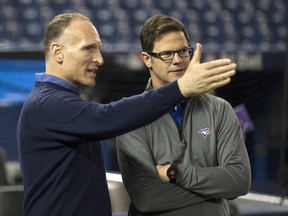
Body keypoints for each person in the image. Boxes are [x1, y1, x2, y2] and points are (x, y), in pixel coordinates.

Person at [17, 12, 237, 216]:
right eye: (88, 49)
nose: (99, 59)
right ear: (58, 52)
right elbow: (107, 117)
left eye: (99, 48)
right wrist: (179, 88)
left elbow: (238, 180)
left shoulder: (62, 101)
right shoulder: (47, 104)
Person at [116, 14, 251, 216]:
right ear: (147, 59)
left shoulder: (220, 109)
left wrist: (174, 172)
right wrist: (214, 195)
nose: (178, 60)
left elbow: (239, 181)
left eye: (182, 51)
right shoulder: (131, 116)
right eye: (167, 54)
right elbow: (147, 198)